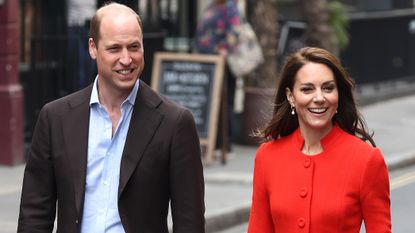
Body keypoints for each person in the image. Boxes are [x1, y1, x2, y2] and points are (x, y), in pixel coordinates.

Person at [17, 3, 205, 233]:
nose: (126, 59)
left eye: (134, 47)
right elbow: (34, 215)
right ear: (93, 48)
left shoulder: (175, 122)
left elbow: (190, 222)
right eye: (115, 48)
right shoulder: (55, 118)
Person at [247, 47, 391, 233]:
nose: (319, 98)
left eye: (328, 88)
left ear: (338, 95)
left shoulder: (366, 160)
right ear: (291, 96)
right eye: (307, 89)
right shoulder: (267, 157)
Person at [195, 0, 241, 153]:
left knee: (220, 102)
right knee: (218, 101)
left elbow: (233, 33)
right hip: (214, 63)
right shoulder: (219, 7)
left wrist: (220, 50)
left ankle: (221, 143)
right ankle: (218, 142)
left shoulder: (223, 7)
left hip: (215, 63)